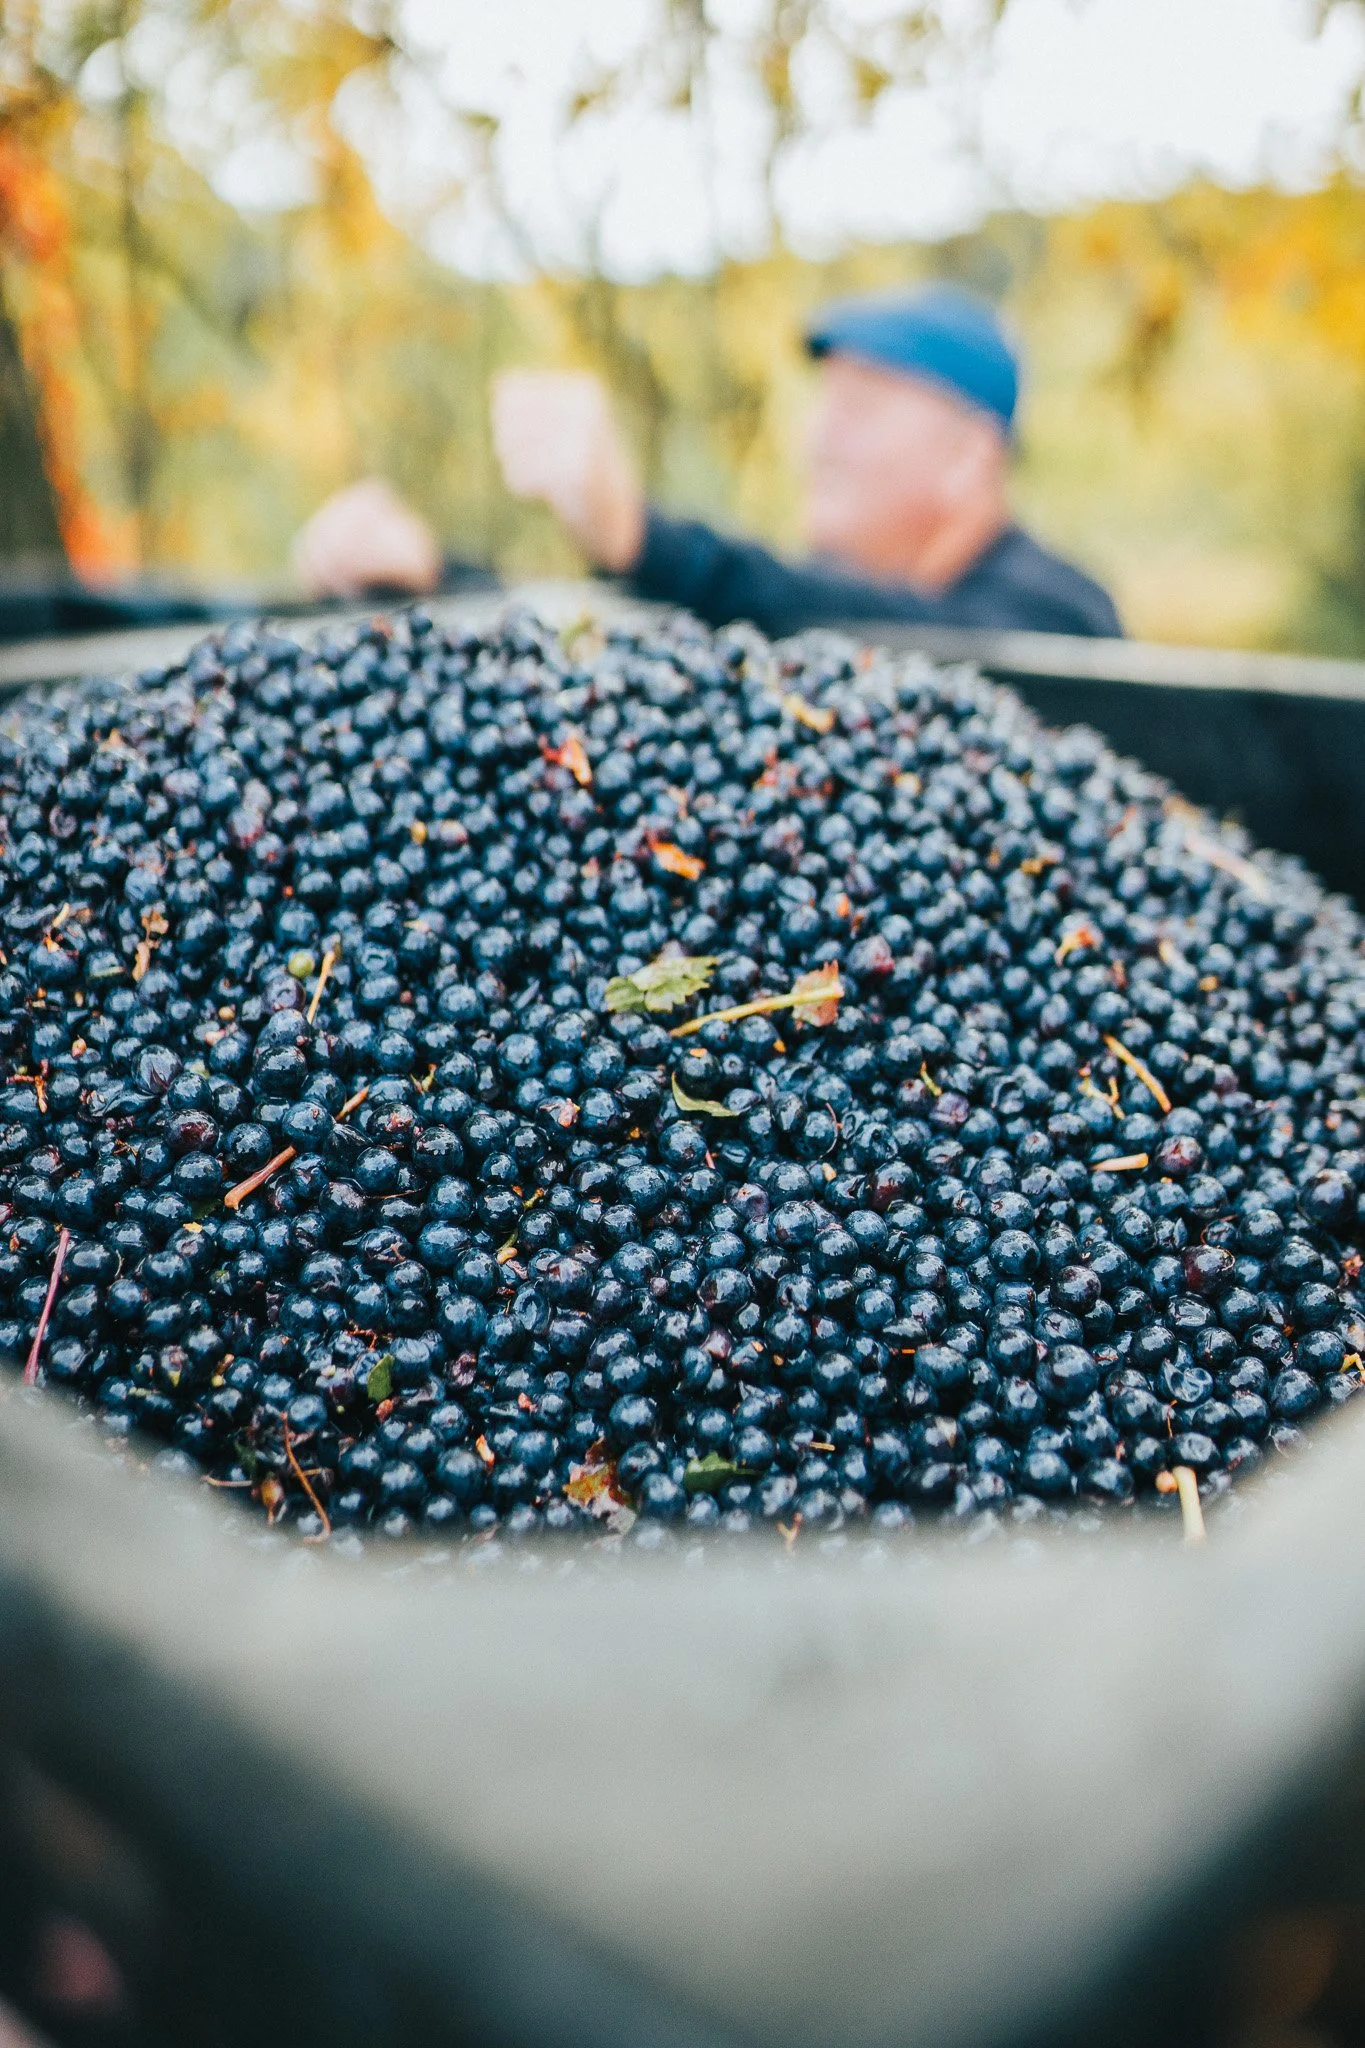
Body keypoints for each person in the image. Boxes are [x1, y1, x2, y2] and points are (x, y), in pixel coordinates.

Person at [490, 284, 1121, 640]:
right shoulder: (832, 587)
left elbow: (926, 639)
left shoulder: (1060, 615)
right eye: (823, 409)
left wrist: (640, 539)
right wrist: (438, 571)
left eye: (859, 410)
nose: (814, 442)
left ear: (966, 458)